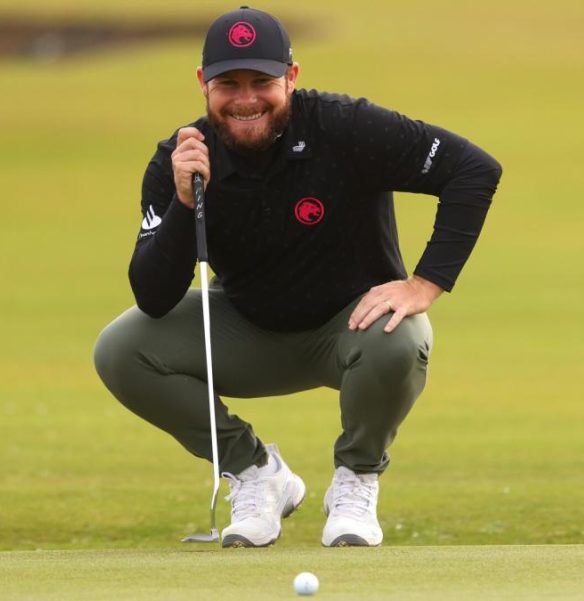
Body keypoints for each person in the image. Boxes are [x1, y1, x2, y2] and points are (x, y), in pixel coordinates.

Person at [93, 6, 502, 548]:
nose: (245, 99)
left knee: (401, 337)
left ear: (292, 77)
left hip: (349, 329)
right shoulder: (182, 156)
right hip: (246, 328)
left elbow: (473, 169)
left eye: (262, 82)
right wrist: (184, 202)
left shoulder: (345, 127)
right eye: (227, 84)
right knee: (121, 349)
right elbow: (153, 296)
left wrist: (424, 284)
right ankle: (258, 474)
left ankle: (355, 479)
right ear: (202, 84)